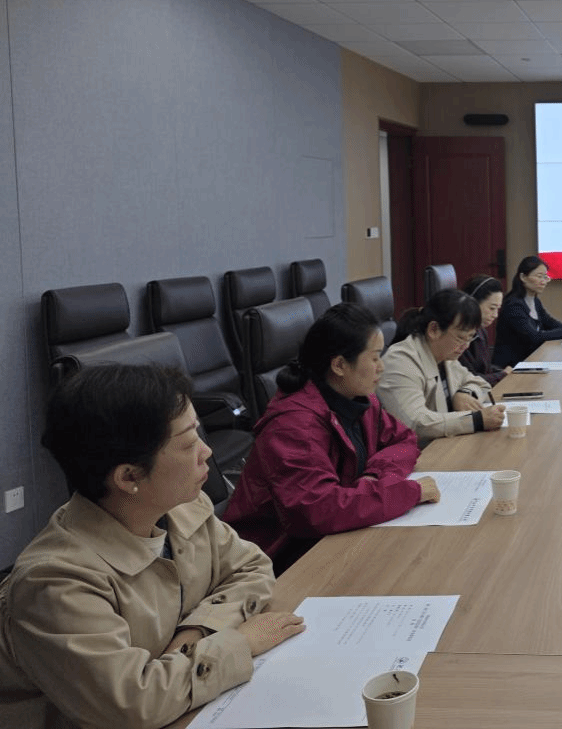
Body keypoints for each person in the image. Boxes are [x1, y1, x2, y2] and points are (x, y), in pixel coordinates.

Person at [0, 364, 305, 729]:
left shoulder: (179, 507)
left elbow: (251, 568)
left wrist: (194, 634)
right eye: (189, 443)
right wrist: (240, 643)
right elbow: (130, 706)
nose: (207, 451)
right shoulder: (55, 582)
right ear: (129, 476)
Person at [223, 303, 438, 572]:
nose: (381, 367)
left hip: (335, 534)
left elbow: (404, 440)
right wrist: (406, 492)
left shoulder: (360, 399)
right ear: (339, 365)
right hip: (277, 559)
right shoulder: (294, 425)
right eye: (374, 358)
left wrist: (374, 476)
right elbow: (318, 510)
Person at [378, 289, 506, 440]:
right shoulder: (400, 361)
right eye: (460, 338)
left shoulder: (444, 355)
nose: (465, 346)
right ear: (434, 330)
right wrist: (476, 420)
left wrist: (465, 393)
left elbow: (480, 383)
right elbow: (415, 422)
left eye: (470, 338)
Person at [492, 256, 562, 368]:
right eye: (539, 276)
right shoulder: (513, 305)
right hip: (511, 366)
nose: (543, 282)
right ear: (523, 277)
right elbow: (534, 337)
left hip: (530, 360)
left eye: (545, 277)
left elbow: (549, 322)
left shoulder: (534, 300)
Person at [458, 274, 511, 387]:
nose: (495, 315)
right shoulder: (458, 336)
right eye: (492, 308)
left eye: (497, 309)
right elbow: (469, 378)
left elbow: (485, 368)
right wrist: (502, 375)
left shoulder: (481, 331)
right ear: (473, 303)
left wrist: (503, 372)